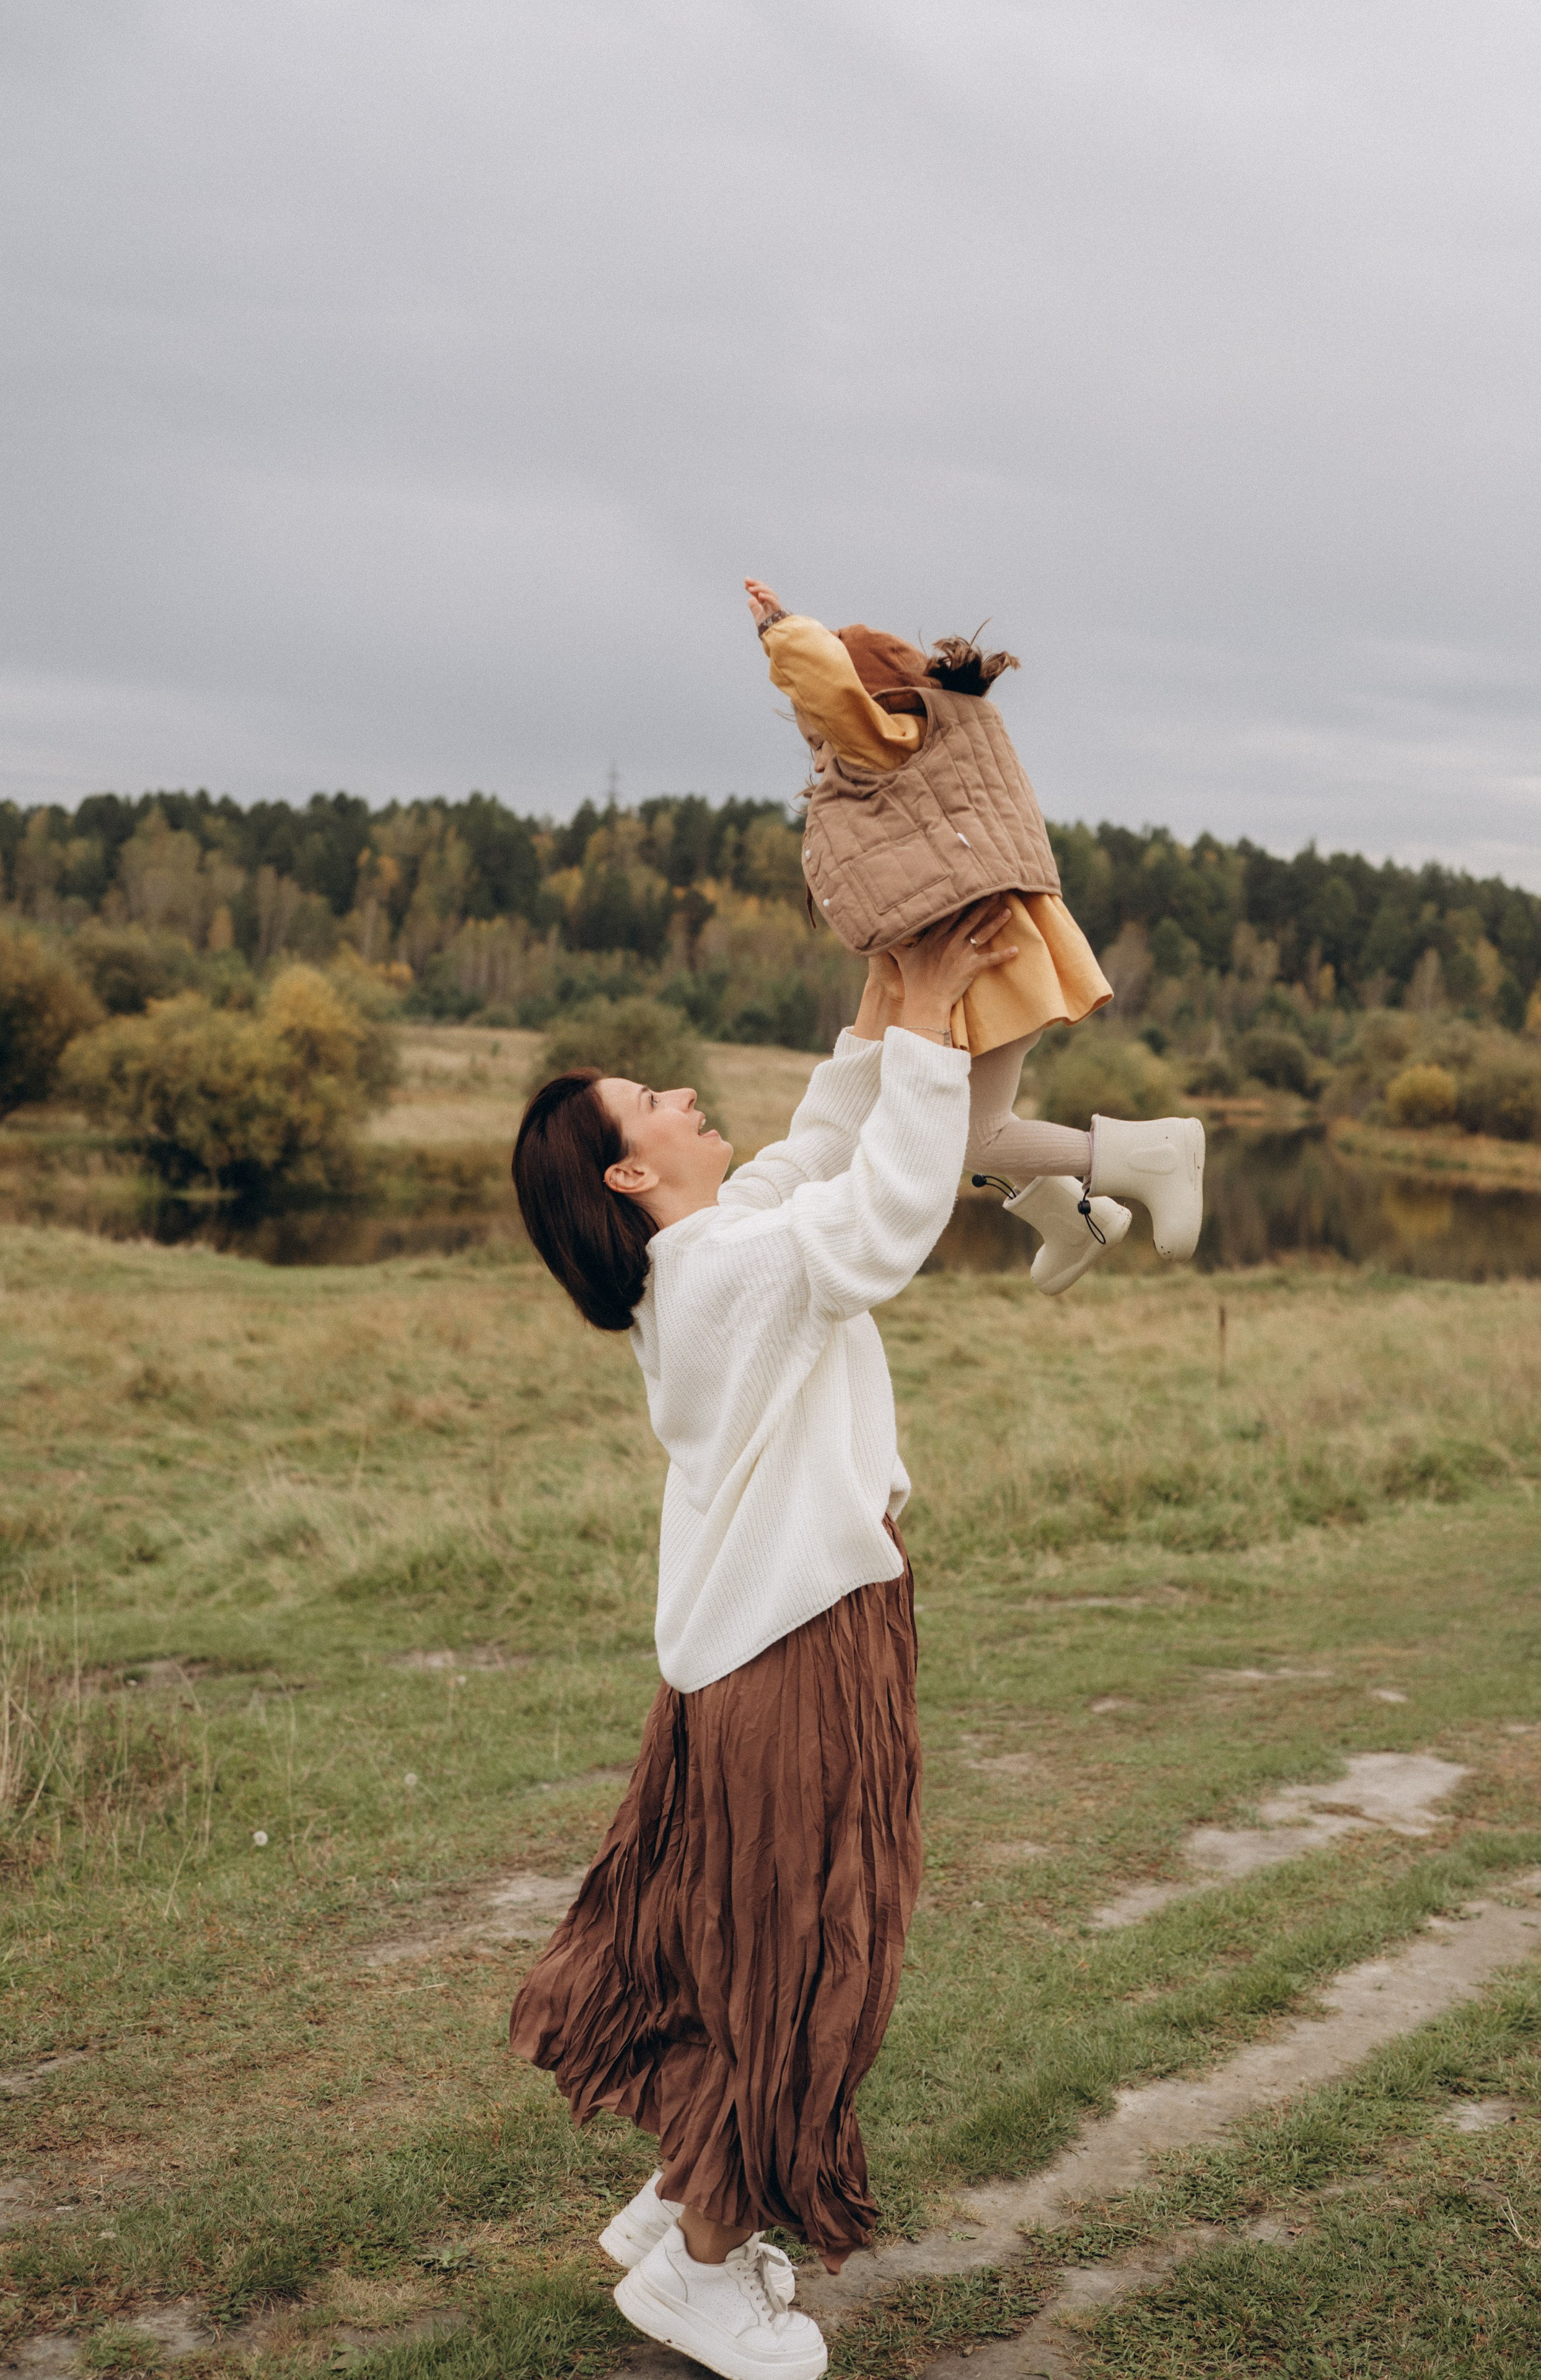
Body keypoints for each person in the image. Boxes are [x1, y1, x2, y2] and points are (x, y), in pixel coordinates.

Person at [508, 906, 1011, 2380]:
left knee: (738, 1946)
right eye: (647, 1100)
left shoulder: (712, 1253)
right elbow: (886, 1213)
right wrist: (922, 1028)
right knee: (798, 1962)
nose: (677, 1094)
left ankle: (681, 2207)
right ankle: (707, 2272)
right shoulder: (734, 1276)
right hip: (792, 1658)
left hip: (768, 1647)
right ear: (627, 1168)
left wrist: (877, 1013)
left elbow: (813, 1149)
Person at [745, 578, 1205, 1285]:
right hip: (968, 947)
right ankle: (1078, 1219)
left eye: (816, 728)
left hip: (985, 951)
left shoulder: (893, 735)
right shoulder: (925, 742)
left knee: (967, 1133)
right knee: (942, 1113)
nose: (815, 744)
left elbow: (830, 684)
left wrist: (779, 627)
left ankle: (1152, 1154)